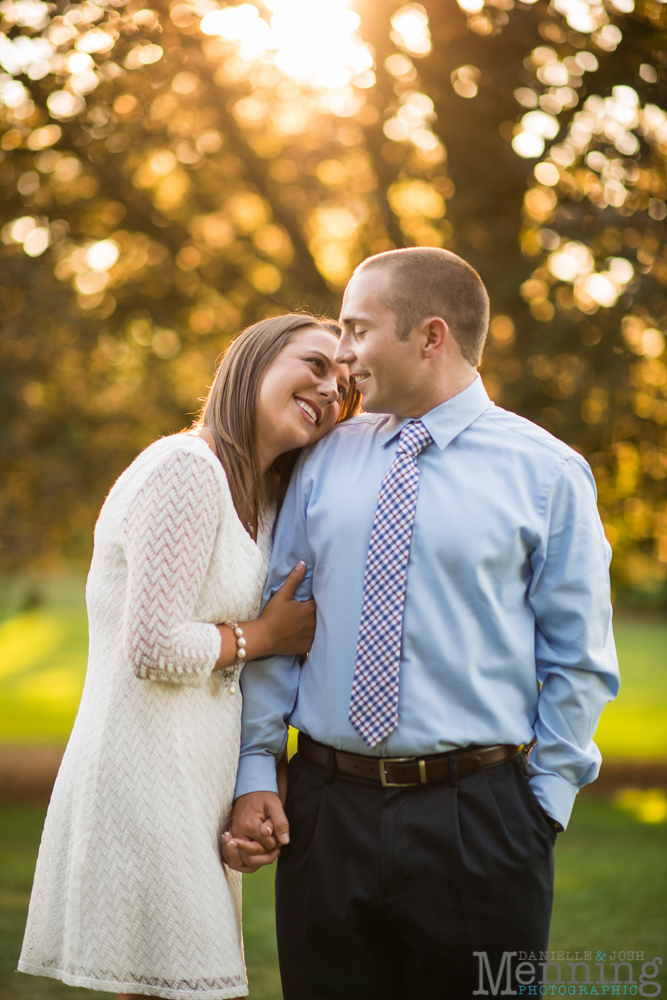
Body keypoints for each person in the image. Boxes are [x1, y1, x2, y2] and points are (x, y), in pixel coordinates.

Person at [223, 249, 620, 1000]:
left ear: (429, 336)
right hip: (326, 811)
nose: (340, 355)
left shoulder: (548, 472)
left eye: (356, 329)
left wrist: (542, 806)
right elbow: (284, 624)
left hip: (482, 818)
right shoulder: (325, 458)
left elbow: (580, 660)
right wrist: (256, 769)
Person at [18, 313, 358, 1000]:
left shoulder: (260, 495)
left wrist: (254, 783)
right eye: (316, 365)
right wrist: (263, 635)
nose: (332, 390)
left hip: (192, 782)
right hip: (141, 779)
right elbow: (151, 645)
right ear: (254, 360)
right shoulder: (186, 469)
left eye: (346, 386)